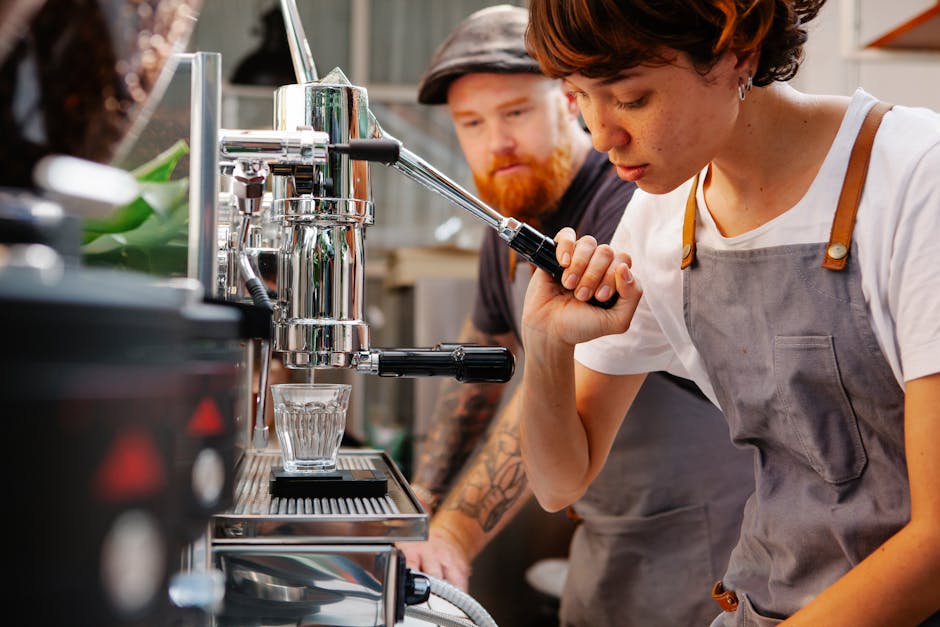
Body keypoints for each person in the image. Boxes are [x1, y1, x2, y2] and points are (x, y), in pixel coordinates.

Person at [517, 1, 940, 625]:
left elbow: (934, 545)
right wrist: (547, 345)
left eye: (630, 99)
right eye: (578, 96)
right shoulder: (665, 215)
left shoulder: (914, 175)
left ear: (739, 51)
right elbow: (560, 482)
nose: (601, 134)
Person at [399, 5, 755, 626]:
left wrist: (453, 535)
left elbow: (538, 386)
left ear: (569, 102)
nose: (497, 141)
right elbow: (480, 379)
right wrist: (422, 501)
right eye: (472, 123)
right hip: (604, 520)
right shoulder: (511, 211)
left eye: (515, 112)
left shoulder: (628, 199)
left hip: (703, 531)